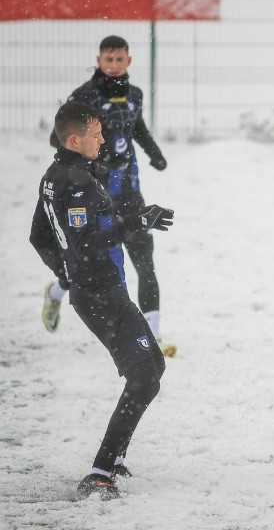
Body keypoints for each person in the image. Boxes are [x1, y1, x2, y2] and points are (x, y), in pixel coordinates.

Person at [30, 102, 175, 499]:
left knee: (153, 366)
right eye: (96, 134)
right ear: (75, 140)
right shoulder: (75, 181)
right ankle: (100, 471)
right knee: (145, 377)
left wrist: (64, 276)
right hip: (100, 295)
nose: (103, 139)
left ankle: (114, 460)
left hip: (96, 289)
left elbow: (38, 236)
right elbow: (86, 243)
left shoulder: (55, 175)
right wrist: (136, 223)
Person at [42, 35, 175, 357]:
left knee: (145, 261)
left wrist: (154, 153)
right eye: (108, 60)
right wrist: (99, 162)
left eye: (119, 60)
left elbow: (137, 128)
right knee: (93, 269)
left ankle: (152, 338)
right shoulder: (85, 96)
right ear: (99, 60)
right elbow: (56, 140)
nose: (114, 66)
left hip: (130, 192)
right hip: (95, 198)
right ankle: (57, 291)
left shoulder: (135, 95)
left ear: (129, 60)